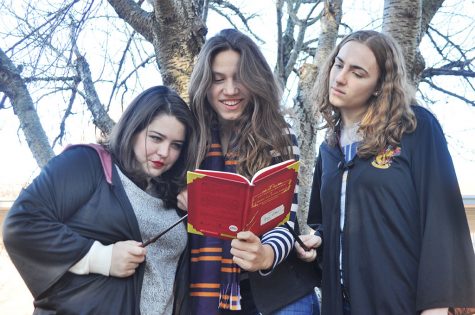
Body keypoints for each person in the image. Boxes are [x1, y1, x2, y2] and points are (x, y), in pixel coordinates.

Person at [296, 30, 475, 315]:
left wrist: (436, 309)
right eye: (339, 64)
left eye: (358, 73)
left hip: (400, 302)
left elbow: (443, 225)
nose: (340, 77)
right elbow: (325, 225)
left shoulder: (417, 130)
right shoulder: (328, 150)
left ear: (379, 85)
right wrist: (317, 242)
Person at [2, 86, 197, 314]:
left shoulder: (174, 196)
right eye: (155, 138)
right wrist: (102, 257)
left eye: (176, 145)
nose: (164, 152)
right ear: (133, 129)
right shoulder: (87, 163)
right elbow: (22, 225)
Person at [177, 28, 321, 315]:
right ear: (205, 83)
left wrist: (265, 255)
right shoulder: (187, 134)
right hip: (204, 292)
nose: (230, 90)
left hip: (277, 290)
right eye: (218, 79)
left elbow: (284, 219)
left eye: (240, 77)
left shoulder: (277, 132)